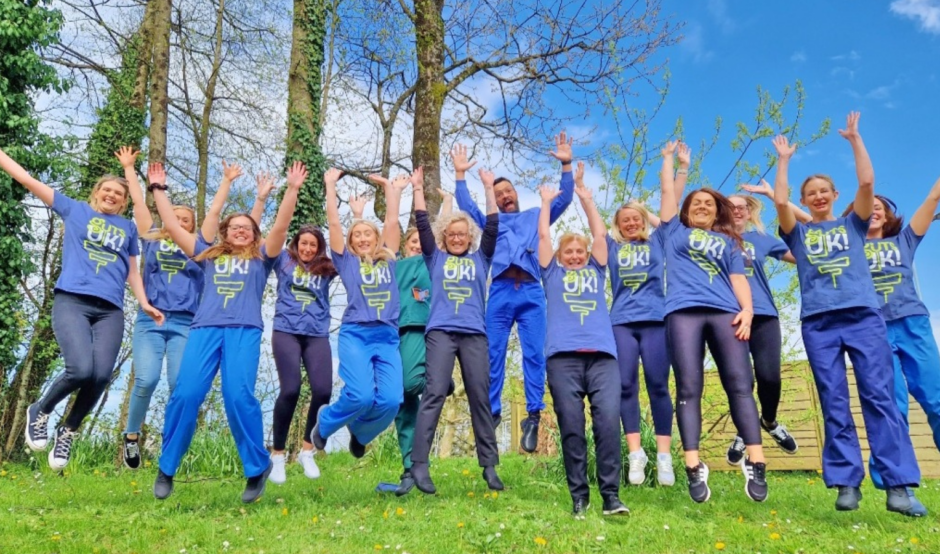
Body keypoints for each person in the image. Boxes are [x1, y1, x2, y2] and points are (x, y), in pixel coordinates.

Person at [772, 111, 923, 516]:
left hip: (862, 317)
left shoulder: (854, 225)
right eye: (812, 193)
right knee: (833, 400)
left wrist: (855, 139)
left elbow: (868, 184)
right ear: (805, 201)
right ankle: (845, 482)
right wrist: (784, 160)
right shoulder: (798, 233)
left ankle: (899, 487)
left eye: (824, 190)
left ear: (836, 195)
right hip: (819, 324)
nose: (818, 196)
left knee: (879, 398)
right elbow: (781, 201)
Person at [152, 162, 306, 503]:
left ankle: (256, 468)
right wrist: (158, 190)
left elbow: (281, 226)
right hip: (204, 330)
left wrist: (292, 190)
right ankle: (166, 468)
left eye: (246, 227)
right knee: (186, 393)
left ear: (254, 234)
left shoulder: (263, 258)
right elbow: (172, 228)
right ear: (225, 232)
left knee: (238, 396)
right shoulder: (206, 255)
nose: (240, 230)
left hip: (243, 331)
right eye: (234, 227)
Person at [3, 145, 164, 471]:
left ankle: (69, 429)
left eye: (119, 193)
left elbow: (133, 270)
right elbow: (27, 179)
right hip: (72, 301)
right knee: (80, 369)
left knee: (101, 374)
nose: (112, 195)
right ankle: (42, 409)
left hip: (110, 310)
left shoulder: (128, 229)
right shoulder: (75, 210)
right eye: (107, 190)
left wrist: (144, 302)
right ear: (96, 194)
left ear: (123, 201)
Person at [658, 140, 768, 504]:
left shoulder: (729, 241)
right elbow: (667, 194)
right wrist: (675, 163)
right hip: (683, 312)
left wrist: (748, 311)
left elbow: (739, 281)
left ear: (716, 211)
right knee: (688, 388)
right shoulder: (673, 232)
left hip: (725, 313)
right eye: (696, 203)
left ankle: (756, 461)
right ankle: (693, 465)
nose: (702, 206)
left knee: (740, 385)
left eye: (708, 203)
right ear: (687, 211)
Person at [119, 150, 244, 469]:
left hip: (186, 324)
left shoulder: (200, 248)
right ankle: (132, 436)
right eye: (174, 217)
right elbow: (139, 205)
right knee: (145, 380)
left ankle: (170, 442)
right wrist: (130, 170)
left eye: (185, 219)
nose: (178, 222)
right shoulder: (151, 239)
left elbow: (214, 213)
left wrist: (226, 182)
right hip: (150, 321)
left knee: (180, 385)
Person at [453, 138, 574, 452]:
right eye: (498, 193)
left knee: (534, 354)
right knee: (492, 354)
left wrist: (565, 166)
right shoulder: (491, 222)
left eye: (508, 192)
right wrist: (461, 176)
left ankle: (532, 416)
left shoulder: (536, 215)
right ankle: (491, 415)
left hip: (532, 293)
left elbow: (564, 199)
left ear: (517, 194)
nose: (505, 196)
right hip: (501, 293)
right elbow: (466, 207)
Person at [839, 180, 940, 515]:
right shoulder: (847, 248)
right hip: (871, 331)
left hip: (913, 324)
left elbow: (932, 196)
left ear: (889, 215)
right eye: (869, 206)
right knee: (891, 408)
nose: (875, 209)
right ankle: (901, 489)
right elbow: (809, 231)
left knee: (936, 398)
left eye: (881, 206)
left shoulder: (905, 239)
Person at [538, 162, 628, 518]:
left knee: (607, 423)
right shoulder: (551, 274)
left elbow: (602, 237)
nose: (575, 256)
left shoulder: (597, 268)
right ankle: (579, 496)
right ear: (561, 257)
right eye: (569, 252)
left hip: (603, 358)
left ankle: (611, 497)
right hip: (563, 359)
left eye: (580, 251)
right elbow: (543, 239)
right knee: (571, 427)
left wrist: (586, 199)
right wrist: (546, 203)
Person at [408, 166, 502, 495]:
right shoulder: (435, 258)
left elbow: (493, 226)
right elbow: (422, 224)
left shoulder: (481, 259)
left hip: (474, 333)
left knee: (480, 395)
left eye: (463, 234)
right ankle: (419, 465)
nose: (458, 238)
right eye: (452, 234)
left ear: (469, 237)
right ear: (445, 237)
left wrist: (489, 189)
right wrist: (417, 189)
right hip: (442, 332)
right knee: (434, 392)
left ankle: (489, 466)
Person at [358, 189, 454, 496]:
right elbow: (370, 242)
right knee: (401, 404)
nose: (416, 246)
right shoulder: (394, 265)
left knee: (412, 385)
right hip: (394, 334)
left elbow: (441, 236)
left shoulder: (432, 264)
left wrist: (448, 203)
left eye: (419, 243)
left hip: (424, 329)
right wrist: (360, 213)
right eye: (411, 242)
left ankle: (438, 380)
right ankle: (410, 466)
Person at [309, 167, 407, 462]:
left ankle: (361, 434)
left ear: (377, 239)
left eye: (368, 234)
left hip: (387, 337)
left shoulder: (389, 259)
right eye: (357, 235)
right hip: (356, 334)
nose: (363, 238)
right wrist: (329, 186)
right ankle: (325, 423)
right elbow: (334, 224)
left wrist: (391, 190)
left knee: (391, 400)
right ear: (351, 243)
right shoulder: (347, 262)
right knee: (361, 395)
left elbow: (391, 220)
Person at [609, 145, 687, 487]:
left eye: (635, 218)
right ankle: (636, 454)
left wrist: (672, 164)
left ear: (643, 221)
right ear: (619, 226)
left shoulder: (659, 242)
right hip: (622, 323)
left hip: (656, 321)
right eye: (624, 220)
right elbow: (596, 229)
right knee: (625, 385)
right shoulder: (611, 248)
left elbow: (670, 206)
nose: (630, 223)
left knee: (658, 384)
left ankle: (665, 456)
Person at [722, 181, 809, 466]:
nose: (737, 211)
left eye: (742, 207)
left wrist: (774, 195)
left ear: (749, 212)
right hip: (728, 316)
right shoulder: (712, 238)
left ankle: (769, 421)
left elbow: (802, 255)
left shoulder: (761, 238)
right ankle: (744, 432)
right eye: (731, 207)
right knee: (741, 381)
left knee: (769, 377)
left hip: (764, 315)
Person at [266, 223, 337, 485]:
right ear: (296, 244)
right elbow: (275, 233)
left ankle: (308, 449)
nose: (307, 248)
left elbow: (349, 255)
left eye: (313, 245)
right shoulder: (283, 260)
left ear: (319, 249)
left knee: (322, 390)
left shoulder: (327, 267)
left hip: (316, 333)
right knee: (290, 390)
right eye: (303, 243)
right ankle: (278, 455)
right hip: (286, 330)